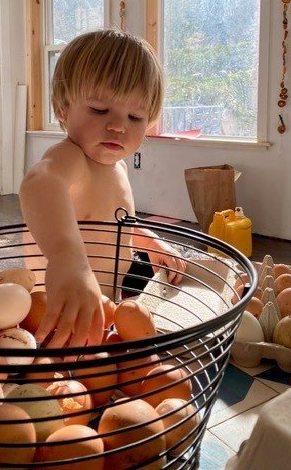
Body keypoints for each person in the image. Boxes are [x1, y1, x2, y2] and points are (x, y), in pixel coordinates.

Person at [19, 29, 186, 349]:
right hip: (58, 317)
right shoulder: (70, 158)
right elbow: (40, 183)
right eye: (99, 110)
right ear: (63, 108)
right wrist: (67, 258)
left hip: (101, 308)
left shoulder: (118, 168)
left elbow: (119, 223)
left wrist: (150, 242)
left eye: (135, 116)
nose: (118, 126)